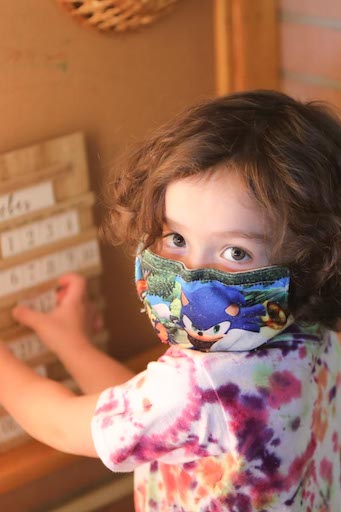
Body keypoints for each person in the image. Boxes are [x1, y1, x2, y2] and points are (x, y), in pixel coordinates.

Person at [0, 89, 340, 511]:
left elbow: (59, 426)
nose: (190, 276)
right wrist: (74, 346)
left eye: (235, 252)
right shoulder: (313, 334)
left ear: (308, 261)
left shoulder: (202, 385)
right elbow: (149, 405)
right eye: (176, 238)